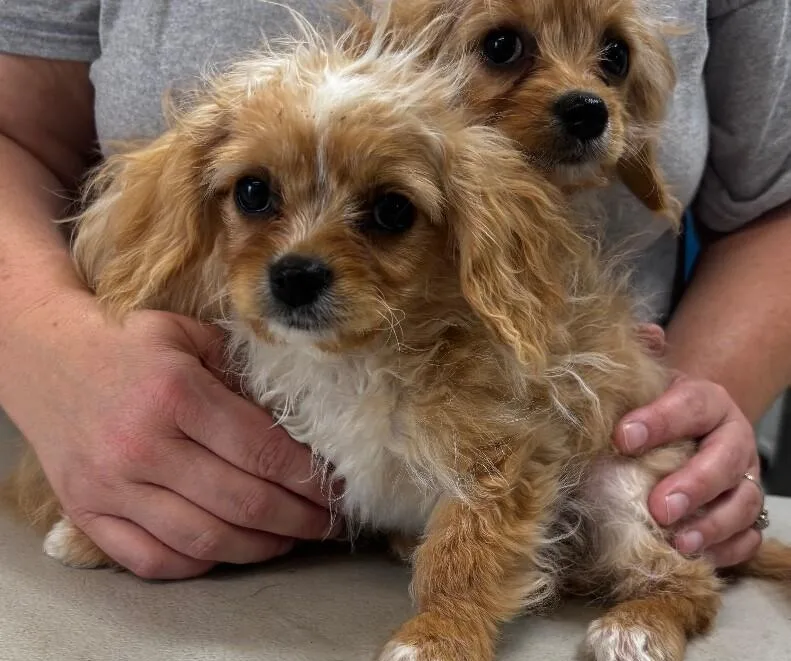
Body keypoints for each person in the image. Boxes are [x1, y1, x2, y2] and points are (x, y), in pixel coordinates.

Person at [0, 0, 788, 580]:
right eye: (506, 47)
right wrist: (46, 342)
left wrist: (652, 425)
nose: (581, 93)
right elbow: (15, 130)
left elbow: (775, 204)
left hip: (532, 510)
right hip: (161, 511)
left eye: (611, 60)